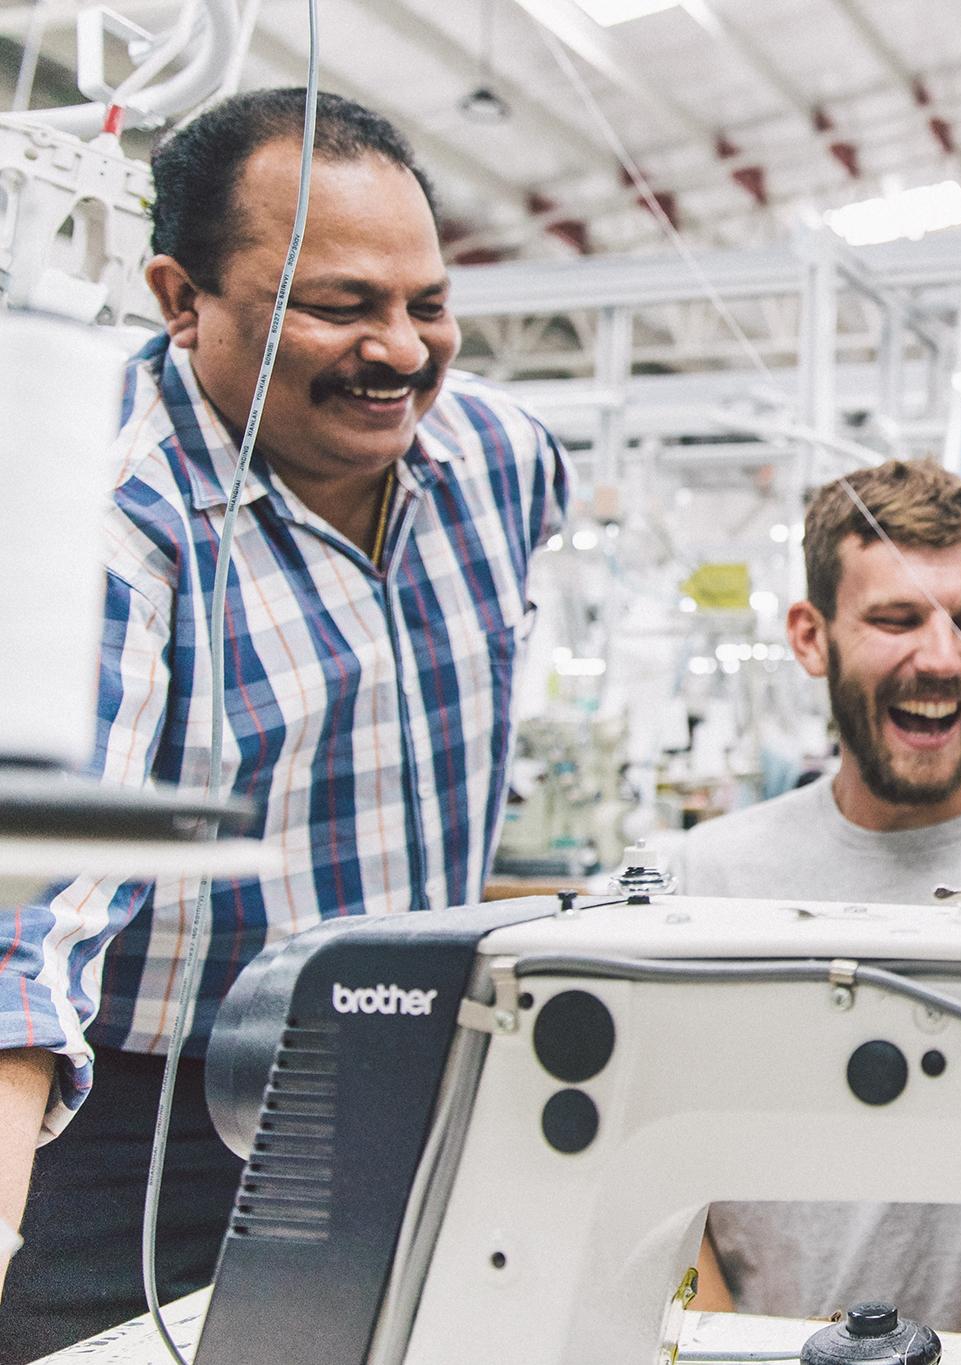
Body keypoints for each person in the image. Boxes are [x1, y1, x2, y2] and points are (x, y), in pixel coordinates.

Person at [0, 90, 569, 1356]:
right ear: (178, 296)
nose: (403, 352)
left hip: (422, 1071)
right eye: (338, 305)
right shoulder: (115, 524)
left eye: (425, 304)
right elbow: (24, 933)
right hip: (147, 1125)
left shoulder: (501, 462)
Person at [680, 459, 961, 1336]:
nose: (941, 656)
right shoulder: (710, 879)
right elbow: (660, 1198)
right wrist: (735, 1341)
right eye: (895, 619)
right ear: (810, 636)